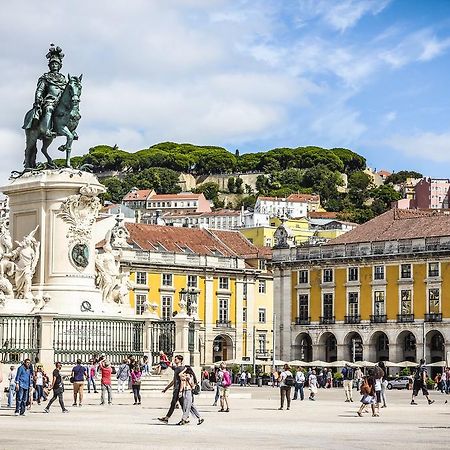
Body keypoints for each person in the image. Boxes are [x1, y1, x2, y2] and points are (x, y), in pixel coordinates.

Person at [23, 45, 66, 139]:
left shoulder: (63, 78)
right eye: (53, 64)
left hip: (61, 102)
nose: (54, 65)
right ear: (50, 66)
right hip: (50, 101)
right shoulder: (45, 77)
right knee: (49, 108)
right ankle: (47, 130)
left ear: (59, 66)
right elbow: (40, 90)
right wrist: (38, 98)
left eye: (56, 64)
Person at [158, 354, 185, 424]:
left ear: (180, 360)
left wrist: (180, 391)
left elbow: (182, 381)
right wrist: (166, 388)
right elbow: (174, 380)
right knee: (181, 404)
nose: (174, 360)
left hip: (178, 389)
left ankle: (167, 418)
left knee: (174, 403)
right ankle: (185, 417)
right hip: (177, 389)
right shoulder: (177, 369)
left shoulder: (180, 369)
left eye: (176, 359)